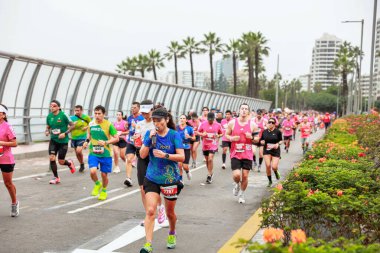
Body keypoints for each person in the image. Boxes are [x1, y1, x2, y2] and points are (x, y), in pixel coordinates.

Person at [139, 107, 185, 252]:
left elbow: (182, 157)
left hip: (169, 179)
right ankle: (148, 244)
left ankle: (172, 233)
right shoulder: (150, 134)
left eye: (159, 120)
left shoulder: (174, 135)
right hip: (152, 177)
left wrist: (166, 155)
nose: (156, 123)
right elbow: (142, 155)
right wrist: (148, 140)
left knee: (170, 213)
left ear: (166, 120)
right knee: (151, 210)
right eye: (154, 121)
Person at [135, 100, 167, 227]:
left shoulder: (157, 124)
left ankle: (160, 208)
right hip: (142, 156)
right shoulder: (139, 124)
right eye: (142, 112)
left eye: (147, 112)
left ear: (152, 111)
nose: (145, 115)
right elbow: (136, 140)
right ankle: (148, 213)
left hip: (155, 157)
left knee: (155, 187)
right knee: (142, 188)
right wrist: (136, 140)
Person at [225, 104, 260, 204]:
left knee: (245, 176)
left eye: (246, 109)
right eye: (242, 109)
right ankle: (237, 184)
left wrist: (251, 137)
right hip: (235, 153)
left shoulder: (253, 125)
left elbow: (257, 139)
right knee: (236, 175)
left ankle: (242, 194)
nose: (244, 111)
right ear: (239, 110)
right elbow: (226, 134)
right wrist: (231, 138)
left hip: (247, 154)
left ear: (248, 112)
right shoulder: (232, 123)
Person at [83, 105, 119, 200]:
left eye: (99, 113)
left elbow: (116, 138)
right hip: (93, 152)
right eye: (95, 113)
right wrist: (86, 142)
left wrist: (106, 142)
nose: (97, 115)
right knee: (92, 171)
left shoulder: (108, 125)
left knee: (104, 175)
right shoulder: (91, 124)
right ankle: (97, 184)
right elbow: (89, 135)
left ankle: (104, 190)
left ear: (104, 114)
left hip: (106, 154)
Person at [45, 100, 76, 184]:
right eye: (51, 105)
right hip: (53, 140)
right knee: (52, 157)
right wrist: (47, 131)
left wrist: (65, 133)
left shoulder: (64, 115)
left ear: (58, 107)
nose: (52, 107)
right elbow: (48, 126)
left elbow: (73, 125)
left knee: (61, 161)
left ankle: (69, 163)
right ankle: (56, 177)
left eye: (54, 106)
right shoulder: (49, 116)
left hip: (63, 141)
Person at [0, 104, 19, 217]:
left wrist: (2, 143)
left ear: (3, 115)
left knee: (8, 183)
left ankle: (14, 203)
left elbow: (15, 143)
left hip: (6, 159)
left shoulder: (7, 127)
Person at [198, 112, 223, 184]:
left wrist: (218, 136)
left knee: (210, 158)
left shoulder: (218, 125)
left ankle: (209, 175)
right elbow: (197, 132)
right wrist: (202, 134)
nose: (210, 121)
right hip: (205, 144)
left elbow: (222, 133)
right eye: (209, 120)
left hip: (213, 144)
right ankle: (210, 172)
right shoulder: (203, 124)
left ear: (214, 119)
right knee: (207, 160)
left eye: (211, 120)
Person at [125, 102, 144, 187]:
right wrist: (126, 126)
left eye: (134, 108)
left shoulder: (142, 118)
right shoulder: (129, 118)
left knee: (142, 161)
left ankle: (146, 178)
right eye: (132, 107)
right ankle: (128, 178)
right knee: (129, 159)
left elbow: (144, 130)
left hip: (140, 143)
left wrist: (136, 126)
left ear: (139, 108)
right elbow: (129, 128)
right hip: (130, 141)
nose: (132, 109)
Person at [260, 118, 283, 187]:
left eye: (272, 122)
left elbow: (281, 140)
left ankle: (275, 172)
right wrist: (262, 142)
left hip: (275, 150)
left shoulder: (278, 132)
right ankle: (270, 181)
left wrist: (278, 144)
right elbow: (261, 140)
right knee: (268, 165)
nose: (270, 123)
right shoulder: (264, 132)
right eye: (269, 122)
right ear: (267, 123)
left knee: (274, 166)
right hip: (267, 150)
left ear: (274, 124)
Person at [70, 105, 91, 172]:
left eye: (78, 110)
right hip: (74, 137)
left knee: (79, 151)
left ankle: (82, 163)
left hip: (82, 137)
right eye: (76, 110)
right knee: (77, 153)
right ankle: (81, 164)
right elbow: (68, 127)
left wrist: (86, 127)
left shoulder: (86, 117)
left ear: (82, 110)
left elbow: (92, 124)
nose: (77, 112)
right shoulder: (72, 118)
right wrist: (73, 124)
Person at [176, 114, 195, 181]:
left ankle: (187, 171)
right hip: (178, 148)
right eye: (181, 118)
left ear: (186, 120)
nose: (182, 119)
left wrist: (189, 137)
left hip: (186, 148)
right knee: (179, 165)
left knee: (185, 166)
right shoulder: (176, 128)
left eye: (183, 118)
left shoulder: (190, 128)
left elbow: (194, 138)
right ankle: (181, 180)